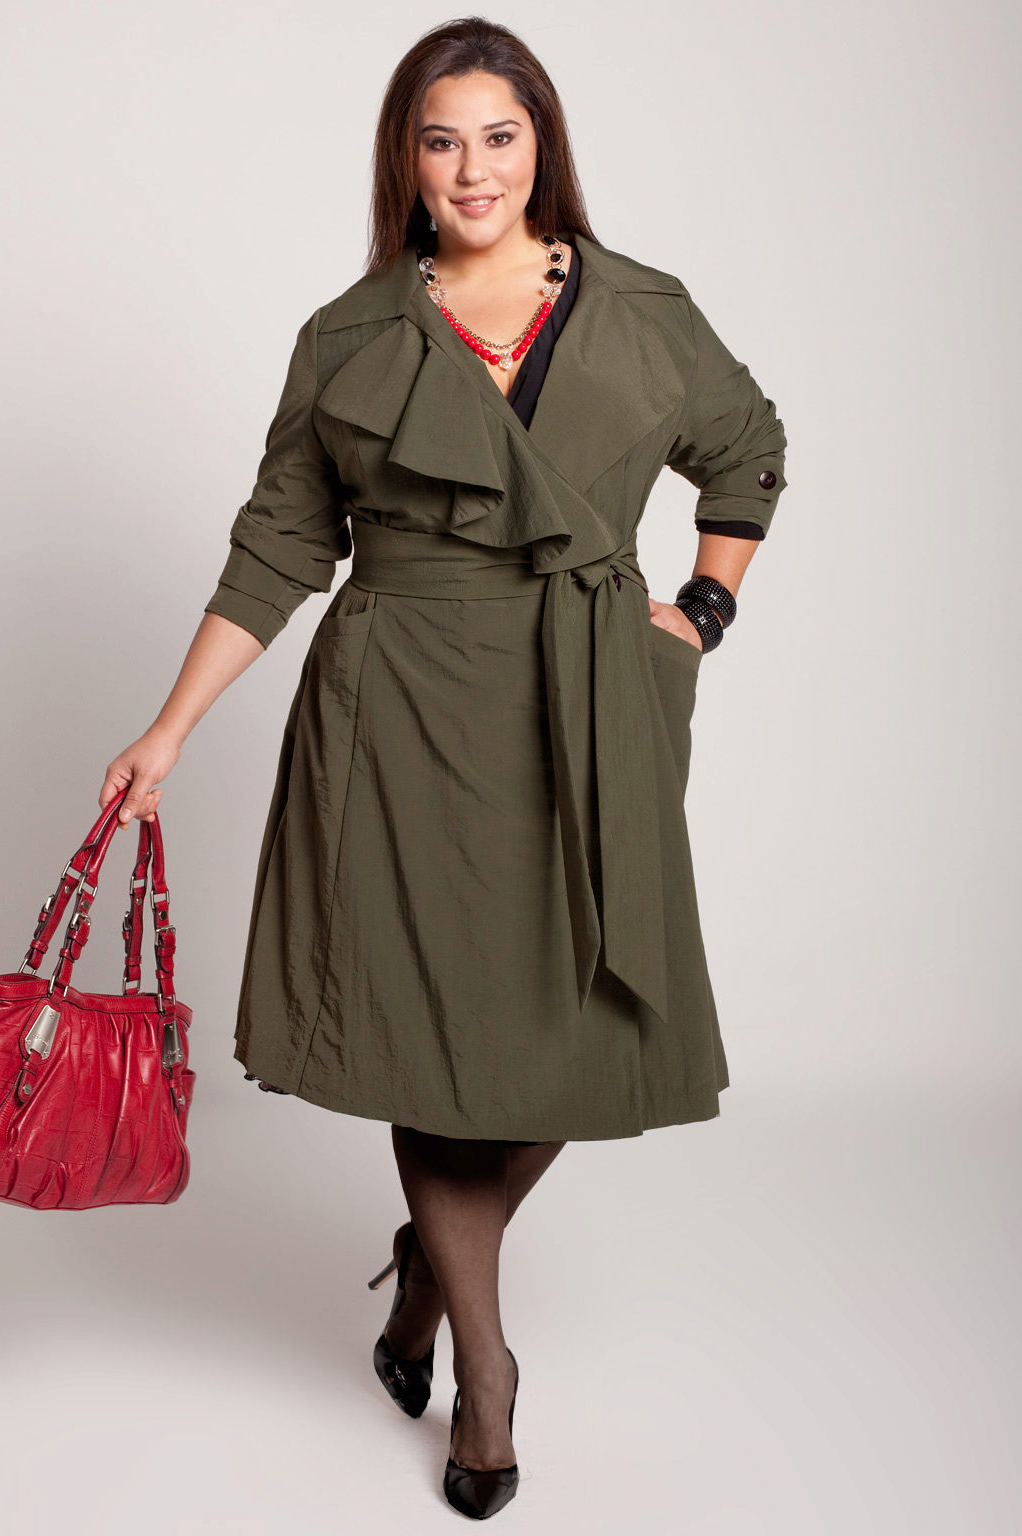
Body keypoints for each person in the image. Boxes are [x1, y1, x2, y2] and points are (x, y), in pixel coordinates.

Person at [99, 17, 787, 1520]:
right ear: (404, 163)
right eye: (440, 140)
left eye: (499, 136)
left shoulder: (645, 310)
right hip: (400, 707)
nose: (473, 169)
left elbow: (748, 448)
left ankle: (427, 1269)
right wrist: (167, 729)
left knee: (578, 1013)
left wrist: (701, 609)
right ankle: (485, 1371)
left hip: (587, 700)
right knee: (428, 1031)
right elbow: (279, 545)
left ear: (543, 147)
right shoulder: (350, 336)